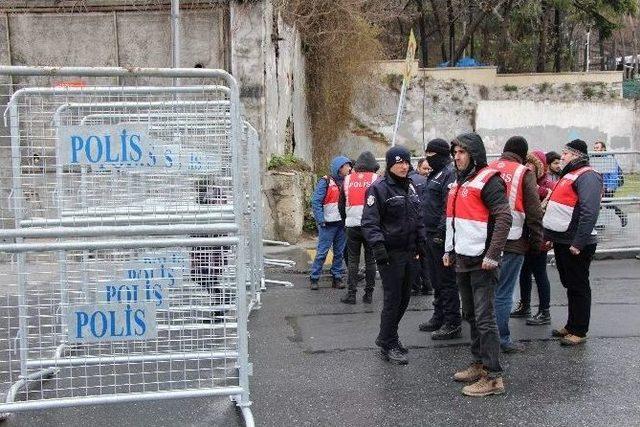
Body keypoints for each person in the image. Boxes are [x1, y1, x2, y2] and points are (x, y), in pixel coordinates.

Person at [445, 132, 512, 397]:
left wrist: (493, 254)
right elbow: (455, 220)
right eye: (455, 152)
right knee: (471, 316)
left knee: (485, 319)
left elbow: (504, 218)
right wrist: (448, 250)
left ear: (474, 154)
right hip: (463, 258)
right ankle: (479, 364)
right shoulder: (461, 181)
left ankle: (494, 378)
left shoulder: (489, 181)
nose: (457, 157)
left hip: (483, 261)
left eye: (462, 152)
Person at [362, 146, 427, 365]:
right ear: (390, 164)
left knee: (405, 298)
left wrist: (421, 243)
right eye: (399, 162)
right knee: (393, 299)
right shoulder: (378, 189)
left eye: (406, 162)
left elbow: (418, 218)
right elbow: (370, 222)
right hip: (390, 254)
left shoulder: (410, 187)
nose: (404, 166)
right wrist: (378, 247)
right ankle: (387, 343)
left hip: (410, 252)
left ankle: (389, 336)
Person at [543, 139, 602, 346]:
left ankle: (579, 330)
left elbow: (589, 211)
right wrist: (550, 236)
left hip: (576, 242)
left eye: (565, 154)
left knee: (578, 285)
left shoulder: (588, 176)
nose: (562, 157)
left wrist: (579, 242)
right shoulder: (568, 175)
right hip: (562, 239)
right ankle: (571, 324)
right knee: (570, 284)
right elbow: (557, 209)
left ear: (576, 155)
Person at [489, 136, 544, 354]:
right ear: (523, 153)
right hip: (514, 240)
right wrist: (536, 241)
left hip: (488, 240)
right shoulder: (523, 172)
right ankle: (502, 339)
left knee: (489, 292)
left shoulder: (489, 168)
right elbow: (534, 211)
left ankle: (486, 336)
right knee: (504, 293)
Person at [417, 138, 462, 340]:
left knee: (446, 280)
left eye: (431, 155)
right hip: (430, 233)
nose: (428, 158)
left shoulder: (449, 174)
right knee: (436, 279)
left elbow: (448, 207)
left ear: (442, 155)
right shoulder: (435, 174)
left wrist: (441, 234)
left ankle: (452, 322)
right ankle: (439, 315)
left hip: (440, 236)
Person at [511, 150, 555, 325]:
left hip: (539, 236)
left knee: (540, 272)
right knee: (524, 272)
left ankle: (544, 311)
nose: (527, 167)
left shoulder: (547, 185)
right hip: (525, 235)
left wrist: (538, 189)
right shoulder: (525, 182)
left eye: (532, 164)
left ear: (540, 167)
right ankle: (525, 305)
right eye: (526, 164)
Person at [340, 151, 380, 304]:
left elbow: (341, 203)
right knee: (370, 260)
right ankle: (368, 295)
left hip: (352, 226)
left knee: (352, 260)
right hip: (371, 226)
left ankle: (351, 295)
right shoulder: (377, 179)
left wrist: (346, 220)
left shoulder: (348, 179)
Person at [309, 156, 352, 290]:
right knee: (322, 252)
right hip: (327, 224)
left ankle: (337, 278)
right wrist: (320, 219)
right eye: (347, 166)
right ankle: (314, 278)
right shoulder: (325, 181)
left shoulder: (348, 181)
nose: (350, 168)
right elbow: (316, 201)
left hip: (341, 223)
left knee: (339, 252)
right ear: (340, 168)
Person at [409, 161, 434, 296]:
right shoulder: (430, 181)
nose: (427, 171)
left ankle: (415, 286)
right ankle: (428, 285)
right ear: (418, 168)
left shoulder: (411, 181)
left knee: (415, 255)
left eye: (429, 168)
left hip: (416, 223)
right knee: (424, 256)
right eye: (425, 168)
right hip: (425, 224)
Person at [592, 141, 627, 227]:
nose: (595, 150)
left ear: (603, 149)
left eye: (597, 148)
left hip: (608, 185)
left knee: (607, 203)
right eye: (595, 148)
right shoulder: (593, 159)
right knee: (597, 203)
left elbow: (614, 175)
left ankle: (621, 215)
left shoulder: (609, 158)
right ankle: (600, 223)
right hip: (598, 185)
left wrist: (610, 187)